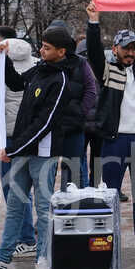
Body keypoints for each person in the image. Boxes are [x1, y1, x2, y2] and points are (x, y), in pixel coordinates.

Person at [0, 27, 78, 269]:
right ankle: (3, 260)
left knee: (43, 210)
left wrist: (14, 148)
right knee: (14, 206)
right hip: (22, 152)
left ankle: (43, 259)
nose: (41, 51)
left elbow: (44, 124)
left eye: (47, 48)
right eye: (41, 46)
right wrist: (3, 59)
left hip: (43, 155)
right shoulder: (40, 69)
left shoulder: (62, 80)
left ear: (61, 52)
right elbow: (16, 83)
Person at [86, 2, 135, 262]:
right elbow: (95, 53)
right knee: (109, 195)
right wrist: (94, 23)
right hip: (114, 141)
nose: (130, 52)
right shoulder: (108, 70)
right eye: (126, 48)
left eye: (134, 48)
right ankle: (105, 242)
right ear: (116, 49)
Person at [0, 26, 38, 262]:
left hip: (9, 134)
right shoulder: (34, 61)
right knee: (25, 188)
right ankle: (27, 236)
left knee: (13, 189)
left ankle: (26, 239)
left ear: (0, 42)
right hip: (30, 135)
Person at [47, 19, 97, 191]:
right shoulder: (44, 63)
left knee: (74, 173)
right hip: (48, 129)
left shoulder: (80, 63)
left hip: (73, 127)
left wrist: (79, 113)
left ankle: (74, 210)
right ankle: (49, 213)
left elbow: (91, 90)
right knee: (47, 172)